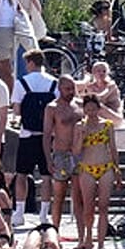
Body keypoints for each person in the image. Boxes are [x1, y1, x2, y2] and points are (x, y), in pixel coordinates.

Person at [12, 49, 59, 215]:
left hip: (27, 134)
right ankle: (44, 213)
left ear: (31, 63)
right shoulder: (54, 82)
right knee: (47, 176)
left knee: (22, 174)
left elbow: (17, 110)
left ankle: (19, 212)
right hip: (48, 136)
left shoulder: (21, 82)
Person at [74, 94, 117, 249]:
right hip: (87, 168)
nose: (91, 112)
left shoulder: (107, 125)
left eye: (94, 109)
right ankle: (88, 237)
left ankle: (101, 243)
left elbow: (112, 148)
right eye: (88, 109)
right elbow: (76, 151)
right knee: (88, 207)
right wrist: (81, 136)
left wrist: (117, 171)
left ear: (99, 109)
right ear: (84, 109)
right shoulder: (79, 126)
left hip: (106, 166)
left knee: (104, 207)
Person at [43, 76, 83, 232]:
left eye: (73, 88)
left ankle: (82, 236)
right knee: (58, 197)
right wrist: (48, 158)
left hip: (79, 155)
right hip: (61, 155)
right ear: (59, 88)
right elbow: (47, 135)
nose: (71, 92)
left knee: (79, 198)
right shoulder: (52, 108)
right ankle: (55, 232)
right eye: (67, 89)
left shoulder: (80, 105)